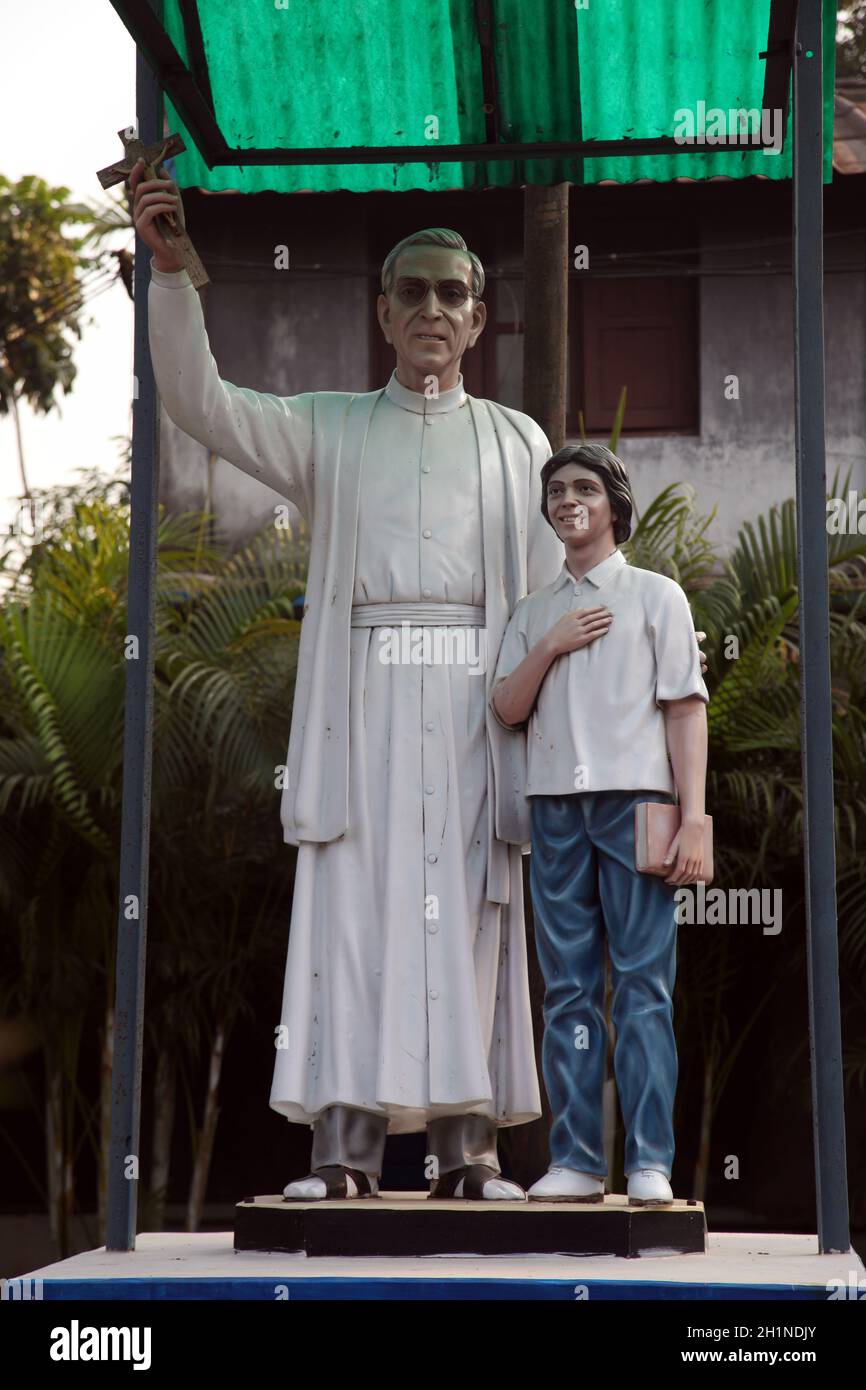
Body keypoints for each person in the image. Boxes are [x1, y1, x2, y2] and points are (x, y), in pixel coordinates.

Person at [130, 160, 565, 1201]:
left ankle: (469, 1152)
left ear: (477, 316)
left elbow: (551, 609)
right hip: (360, 698)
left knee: (470, 910)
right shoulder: (326, 426)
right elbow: (199, 402)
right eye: (408, 289)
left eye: (448, 291)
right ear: (380, 311)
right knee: (352, 910)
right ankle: (342, 1155)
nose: (428, 307)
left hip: (475, 698)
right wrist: (174, 272)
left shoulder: (519, 444)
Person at [490, 444, 709, 1206]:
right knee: (569, 993)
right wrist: (552, 643)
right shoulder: (532, 611)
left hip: (638, 806)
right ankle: (577, 1159)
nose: (567, 499)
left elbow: (685, 709)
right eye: (556, 490)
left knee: (645, 987)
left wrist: (696, 818)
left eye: (584, 487)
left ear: (615, 505)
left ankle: (650, 1160)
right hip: (555, 812)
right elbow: (507, 708)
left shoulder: (657, 596)